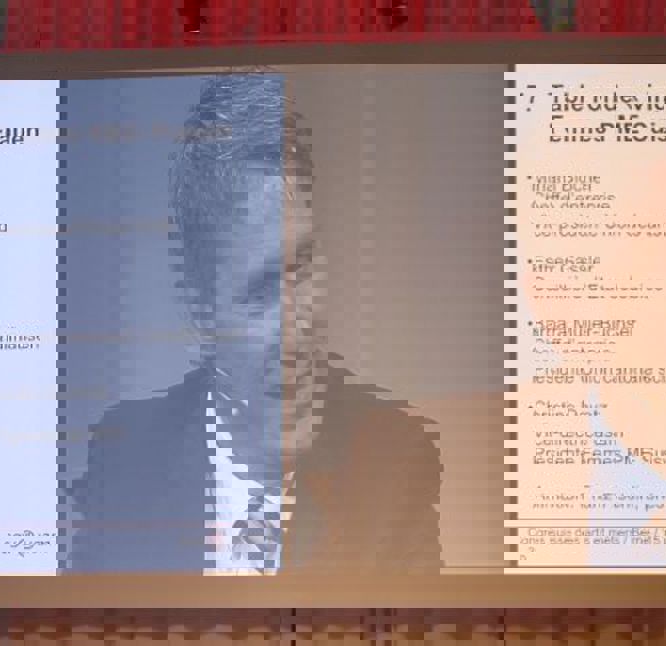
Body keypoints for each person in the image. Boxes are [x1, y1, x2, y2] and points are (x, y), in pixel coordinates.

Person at [65, 74, 442, 575]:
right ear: (201, 305)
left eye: (302, 267)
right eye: (260, 292)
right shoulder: (122, 461)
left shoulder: (395, 461)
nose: (297, 327)